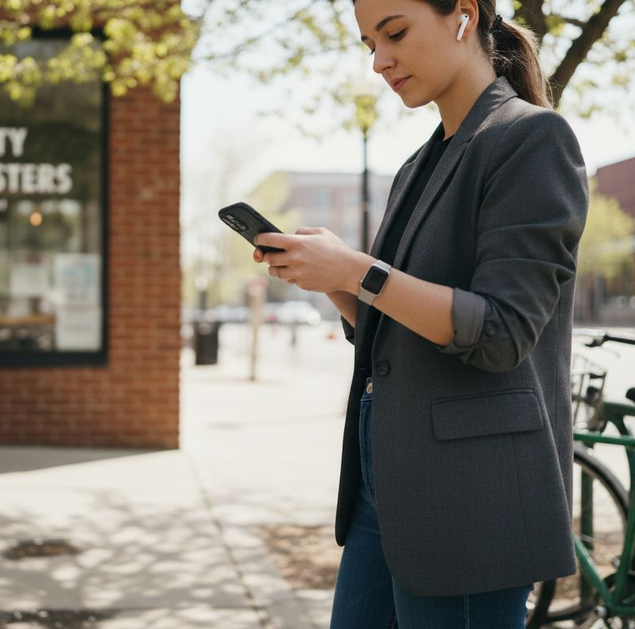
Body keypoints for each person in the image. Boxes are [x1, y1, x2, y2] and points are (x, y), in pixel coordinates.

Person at [251, 0, 589, 626]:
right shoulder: (419, 165)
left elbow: (501, 331)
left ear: (464, 15)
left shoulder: (532, 138)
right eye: (368, 44)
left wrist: (357, 269)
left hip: (469, 493)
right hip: (385, 479)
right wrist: (330, 281)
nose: (379, 61)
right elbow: (393, 329)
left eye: (395, 34)